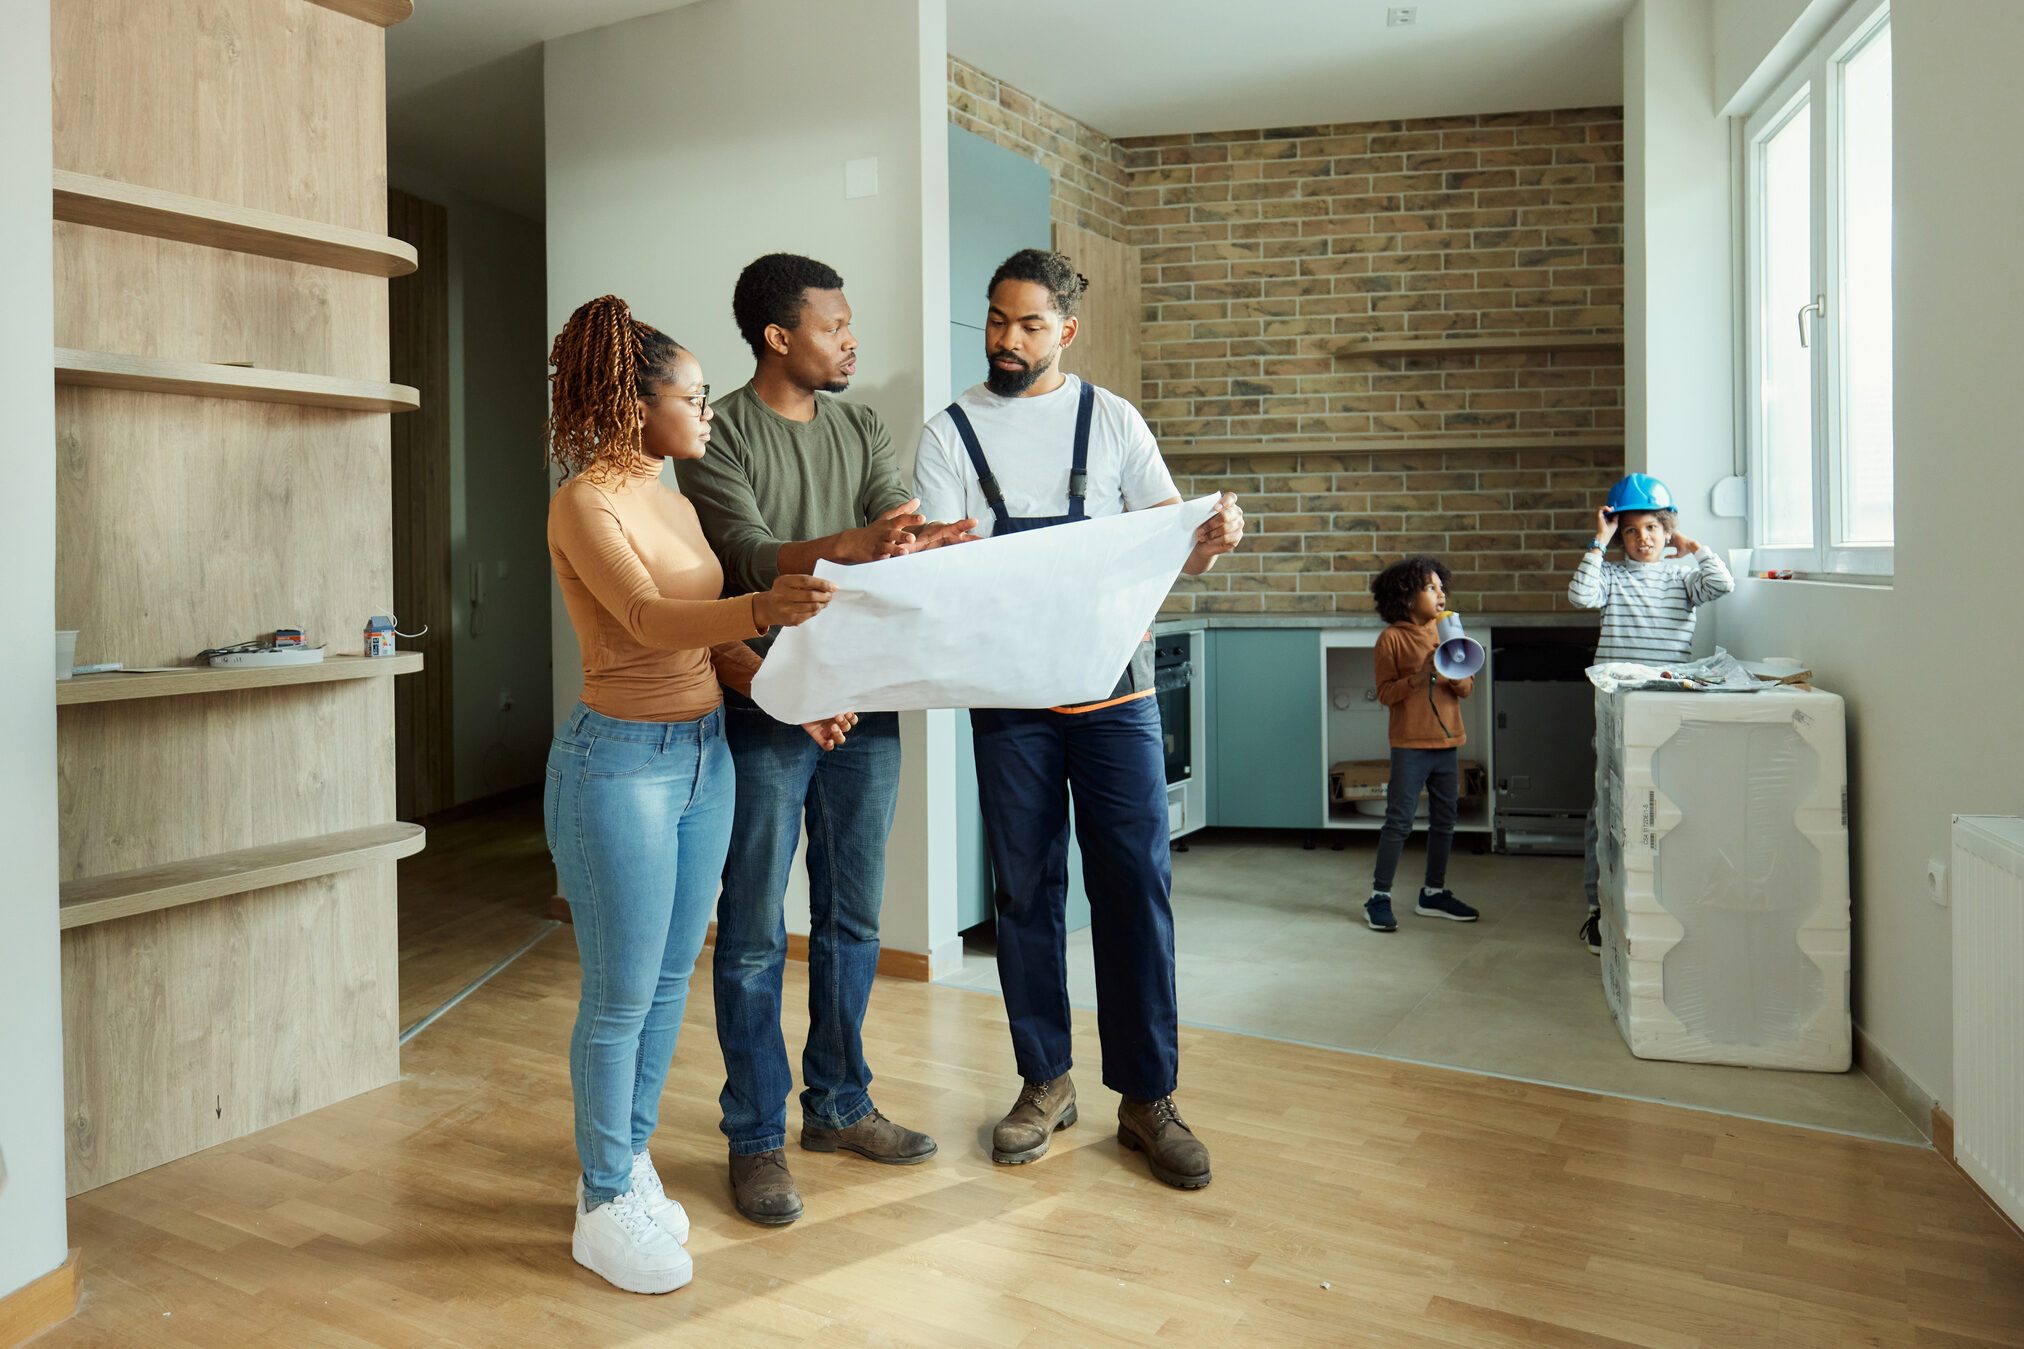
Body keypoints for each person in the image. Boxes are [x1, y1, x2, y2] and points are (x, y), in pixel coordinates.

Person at [913, 248, 1243, 1190]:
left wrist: (1212, 538)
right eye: (994, 319)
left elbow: (1175, 543)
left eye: (1026, 325)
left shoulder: (1114, 422)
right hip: (1009, 699)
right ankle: (1044, 1080)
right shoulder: (949, 435)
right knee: (1025, 892)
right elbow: (946, 569)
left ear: (1064, 329)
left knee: (1135, 886)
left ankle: (1148, 1096)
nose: (1005, 340)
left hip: (1117, 694)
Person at [544, 295, 851, 1293]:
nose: (709, 412)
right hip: (618, 762)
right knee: (620, 995)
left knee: (673, 978)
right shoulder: (585, 500)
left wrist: (784, 692)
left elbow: (711, 637)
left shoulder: (674, 496)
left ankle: (628, 1164)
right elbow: (641, 618)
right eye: (694, 395)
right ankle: (600, 1199)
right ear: (638, 404)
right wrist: (766, 600)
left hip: (702, 752)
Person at [674, 254, 973, 1226]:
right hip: (765, 706)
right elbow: (748, 556)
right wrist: (847, 544)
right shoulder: (719, 434)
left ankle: (838, 1105)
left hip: (866, 702)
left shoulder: (859, 424)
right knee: (755, 932)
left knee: (852, 921)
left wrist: (923, 544)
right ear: (777, 337)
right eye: (833, 326)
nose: (850, 341)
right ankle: (754, 1135)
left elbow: (890, 524)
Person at [1567, 472, 1735, 952]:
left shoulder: (1684, 577)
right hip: (1617, 700)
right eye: (1631, 531)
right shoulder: (1612, 577)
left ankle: (1662, 897)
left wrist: (1693, 545)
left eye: (1653, 529)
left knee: (1665, 799)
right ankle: (1600, 906)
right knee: (1608, 800)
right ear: (1619, 536)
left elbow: (1722, 583)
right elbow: (1580, 596)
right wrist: (1597, 542)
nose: (1643, 539)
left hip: (1666, 701)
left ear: (1667, 532)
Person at [1365, 556, 1481, 933]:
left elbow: (1464, 689)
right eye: (1430, 587)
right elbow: (1386, 694)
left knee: (1445, 821)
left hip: (1447, 743)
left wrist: (1457, 670)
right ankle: (1379, 897)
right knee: (1399, 821)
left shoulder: (1445, 630)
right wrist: (1422, 674)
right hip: (1410, 745)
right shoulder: (1392, 639)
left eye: (1441, 586)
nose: (1440, 593)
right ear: (1406, 596)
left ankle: (1433, 891)